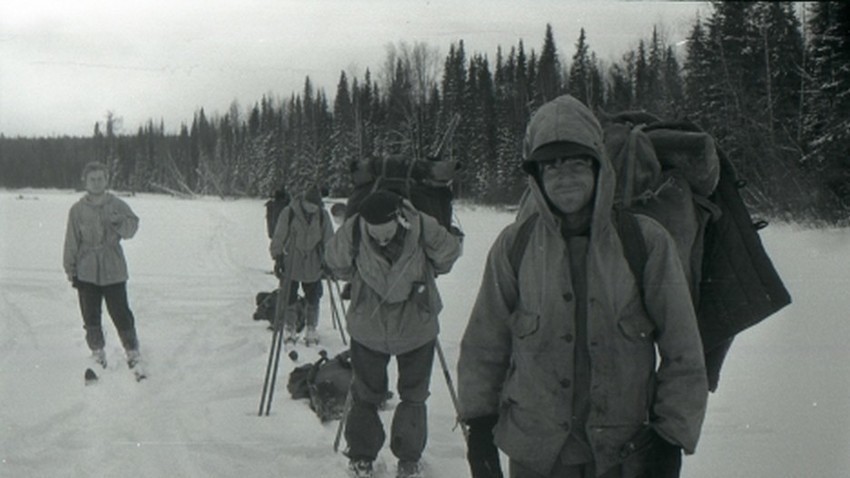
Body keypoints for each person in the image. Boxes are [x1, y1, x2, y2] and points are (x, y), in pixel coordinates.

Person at [456, 95, 709, 478]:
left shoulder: (645, 241)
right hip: (535, 455)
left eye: (576, 162)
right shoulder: (514, 246)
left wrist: (670, 439)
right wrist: (478, 430)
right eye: (551, 166)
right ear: (536, 178)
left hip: (622, 457)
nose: (565, 176)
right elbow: (484, 346)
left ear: (598, 166)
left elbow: (683, 349)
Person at [325, 190, 463, 478]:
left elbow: (339, 266)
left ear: (400, 218)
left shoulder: (421, 225)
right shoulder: (357, 229)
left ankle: (403, 460)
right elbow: (447, 257)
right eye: (375, 235)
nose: (381, 240)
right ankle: (370, 459)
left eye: (386, 234)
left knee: (406, 395)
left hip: (401, 328)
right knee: (369, 394)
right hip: (391, 328)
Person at [63, 161, 143, 372]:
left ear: (106, 180)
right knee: (90, 314)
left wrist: (119, 223)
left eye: (100, 179)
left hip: (113, 267)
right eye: (93, 179)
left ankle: (132, 351)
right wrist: (70, 268)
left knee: (120, 311)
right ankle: (97, 353)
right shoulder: (77, 210)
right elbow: (71, 241)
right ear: (85, 181)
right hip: (86, 268)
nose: (97, 183)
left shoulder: (117, 204)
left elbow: (131, 229)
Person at [269, 186, 334, 345]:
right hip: (292, 260)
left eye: (316, 206)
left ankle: (311, 327)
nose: (313, 209)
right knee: (289, 296)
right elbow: (279, 236)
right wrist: (277, 257)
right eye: (311, 205)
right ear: (304, 201)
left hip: (314, 262)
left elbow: (329, 239)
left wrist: (330, 261)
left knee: (314, 296)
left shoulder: (323, 216)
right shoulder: (289, 212)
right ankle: (290, 326)